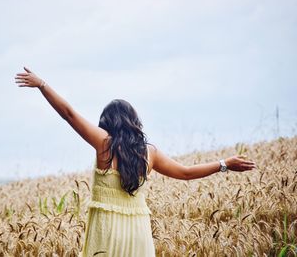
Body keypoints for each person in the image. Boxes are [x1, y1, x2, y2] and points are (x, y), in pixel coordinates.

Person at [14, 67, 256, 257]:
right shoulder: (150, 153)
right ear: (133, 121)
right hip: (138, 232)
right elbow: (186, 173)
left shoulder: (104, 144)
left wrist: (42, 85)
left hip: (107, 231)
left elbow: (69, 114)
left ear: (107, 122)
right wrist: (224, 164)